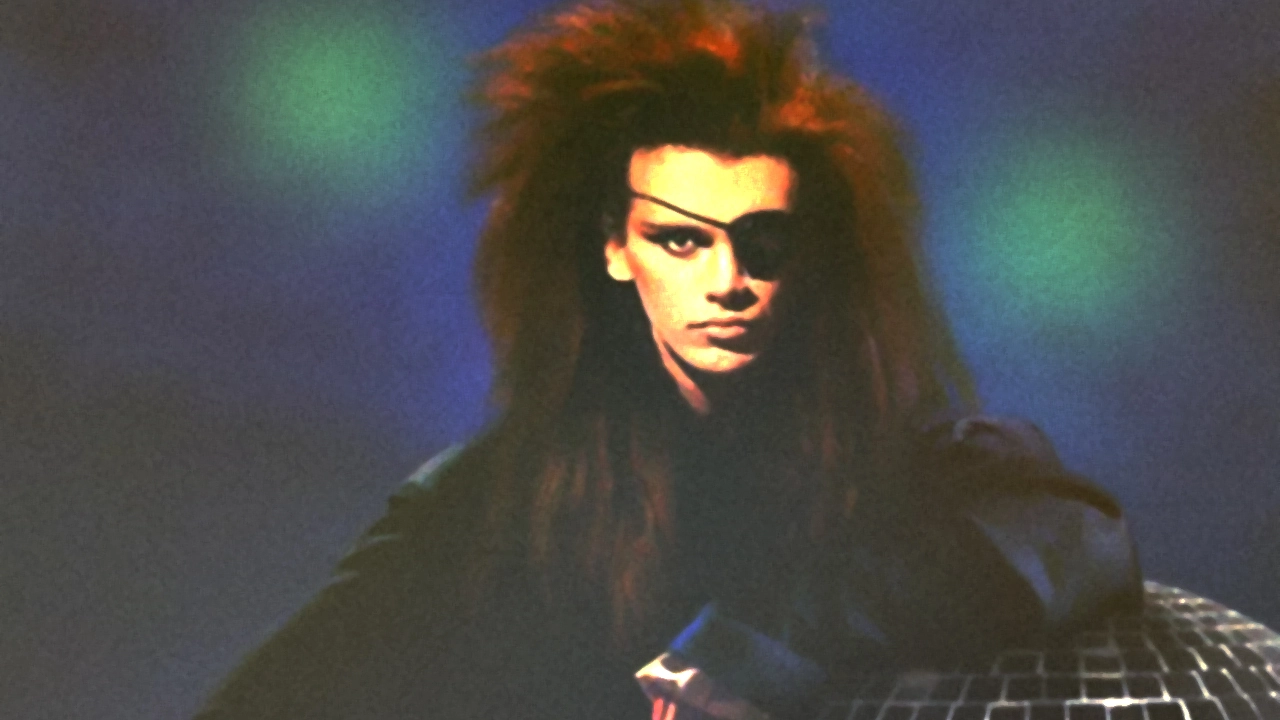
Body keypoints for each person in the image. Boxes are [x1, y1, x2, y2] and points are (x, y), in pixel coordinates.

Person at [194, 0, 1142, 718]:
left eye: (763, 243)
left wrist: (758, 647)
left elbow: (1074, 533)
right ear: (616, 248)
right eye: (683, 240)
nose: (729, 282)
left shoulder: (894, 463)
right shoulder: (489, 506)